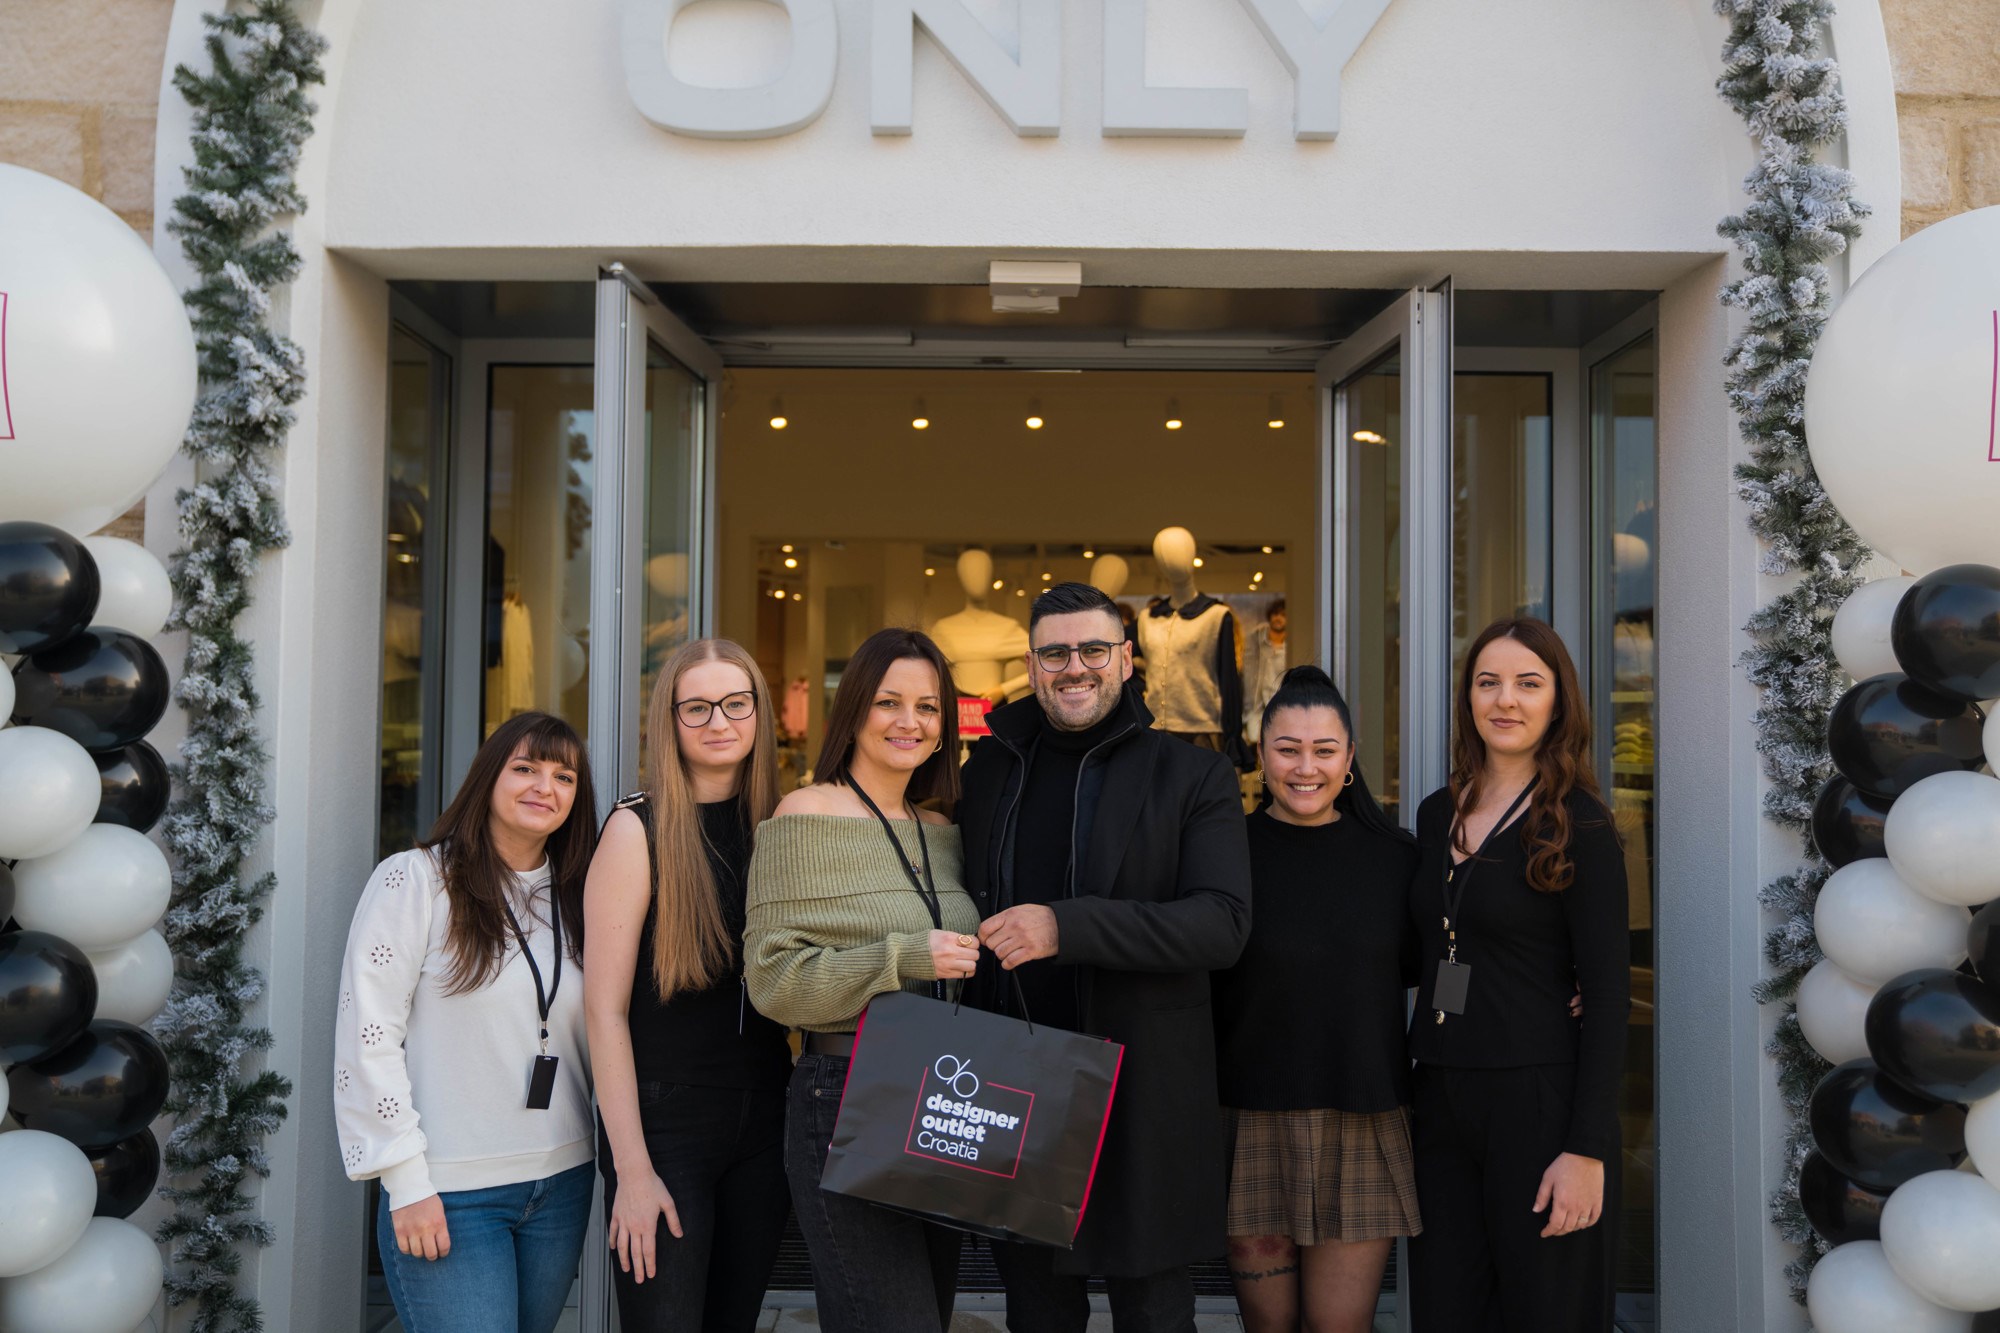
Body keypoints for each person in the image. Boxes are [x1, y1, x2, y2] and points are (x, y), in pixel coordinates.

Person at [959, 580, 1253, 1333]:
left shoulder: (1192, 774)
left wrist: (1068, 927)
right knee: (1036, 1314)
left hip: (1140, 1091)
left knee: (1154, 1314)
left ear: (1126, 659)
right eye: (1055, 653)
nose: (1075, 668)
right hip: (1016, 1087)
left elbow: (1221, 925)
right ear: (1032, 664)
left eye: (1093, 649)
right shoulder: (990, 768)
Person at [743, 627, 984, 1333]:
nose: (910, 721)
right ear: (852, 711)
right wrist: (902, 956)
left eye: (928, 706)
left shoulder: (940, 829)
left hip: (941, 1094)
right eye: (888, 702)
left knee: (929, 1313)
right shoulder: (803, 814)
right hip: (846, 1091)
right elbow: (773, 982)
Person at [334, 711, 599, 1333]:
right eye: (526, 768)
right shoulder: (417, 879)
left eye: (564, 777)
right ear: (488, 776)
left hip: (561, 1184)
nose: (545, 787)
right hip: (451, 1190)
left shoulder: (579, 893)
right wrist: (405, 1181)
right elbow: (369, 1036)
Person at [1405, 617, 1630, 1332]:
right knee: (1446, 1312)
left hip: (1539, 1102)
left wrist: (1586, 1149)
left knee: (1546, 1312)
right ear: (1468, 698)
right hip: (1440, 1095)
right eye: (1488, 682)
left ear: (1558, 702)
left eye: (1528, 683)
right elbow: (1427, 945)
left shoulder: (1580, 825)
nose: (1505, 699)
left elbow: (1608, 997)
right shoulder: (1436, 813)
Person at [583, 640, 793, 1331]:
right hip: (664, 1125)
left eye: (736, 703)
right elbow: (604, 1011)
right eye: (696, 707)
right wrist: (631, 1170)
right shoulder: (635, 828)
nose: (719, 721)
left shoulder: (786, 826)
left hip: (767, 1117)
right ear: (669, 720)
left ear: (759, 712)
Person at [1212, 665, 1420, 1333]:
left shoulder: (1397, 859)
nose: (1306, 768)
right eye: (1288, 749)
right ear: (1261, 752)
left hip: (1363, 1115)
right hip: (1248, 1117)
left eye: (1324, 750)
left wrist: (1542, 993)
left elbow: (1447, 964)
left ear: (1350, 757)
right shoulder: (1224, 854)